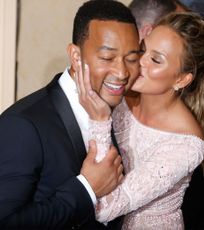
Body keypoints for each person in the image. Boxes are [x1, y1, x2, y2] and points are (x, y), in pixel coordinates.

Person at [76, 12, 204, 229]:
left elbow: (105, 209)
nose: (140, 62)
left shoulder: (187, 145)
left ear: (181, 79)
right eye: (142, 49)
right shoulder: (121, 95)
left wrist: (101, 120)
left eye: (156, 59)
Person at [0, 1, 141, 229]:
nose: (122, 72)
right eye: (107, 58)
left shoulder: (121, 113)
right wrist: (86, 189)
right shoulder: (23, 125)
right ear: (76, 57)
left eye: (132, 59)